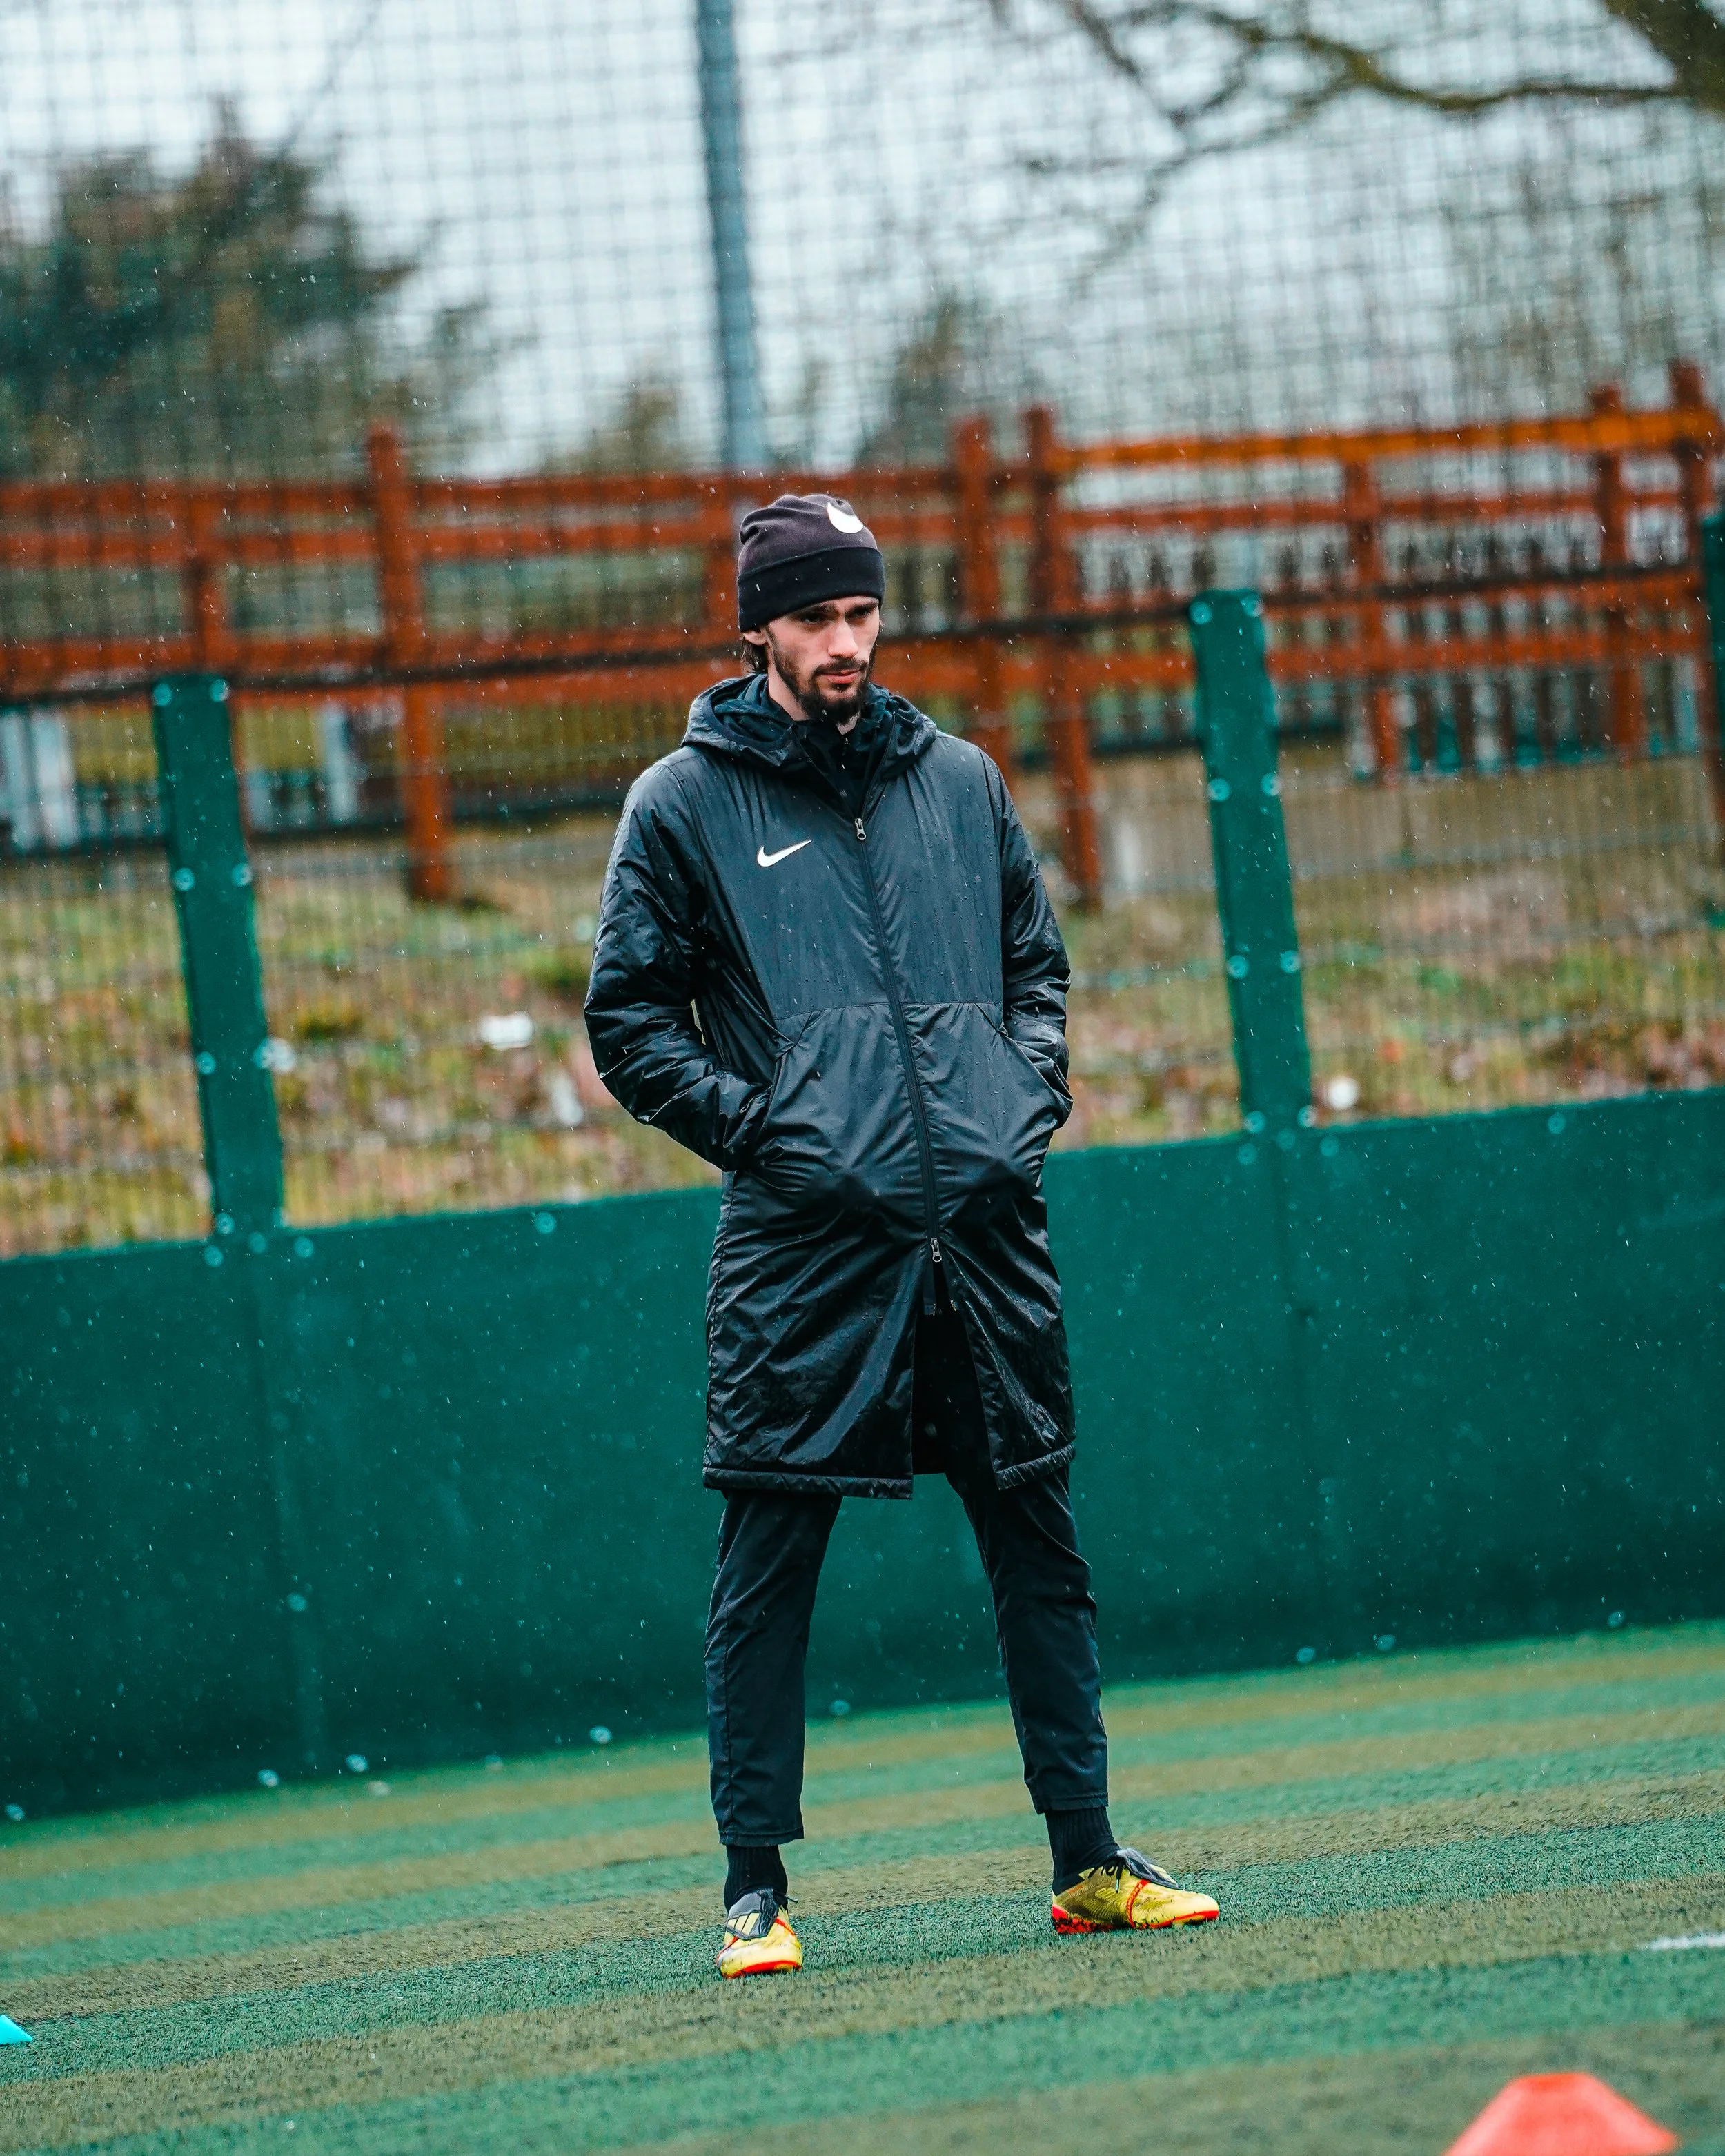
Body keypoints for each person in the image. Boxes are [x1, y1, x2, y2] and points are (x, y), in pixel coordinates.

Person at [584, 492, 1219, 1979]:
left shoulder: (963, 781)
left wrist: (1023, 1094)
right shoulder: (679, 802)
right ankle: (754, 1886)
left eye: (860, 612)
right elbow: (626, 1022)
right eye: (812, 616)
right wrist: (777, 1137)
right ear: (755, 628)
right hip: (802, 1255)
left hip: (985, 1240)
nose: (844, 642)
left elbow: (1033, 962)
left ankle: (1085, 1859)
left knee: (1039, 1544)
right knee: (767, 1559)